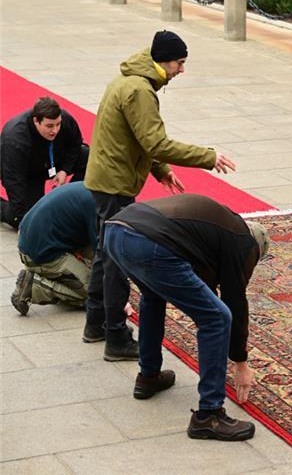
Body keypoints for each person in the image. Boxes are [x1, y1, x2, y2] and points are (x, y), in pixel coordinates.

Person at [83, 30, 237, 362]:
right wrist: (208, 157)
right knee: (115, 261)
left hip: (106, 177)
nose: (182, 70)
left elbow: (137, 138)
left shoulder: (131, 80)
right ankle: (115, 336)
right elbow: (156, 142)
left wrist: (160, 170)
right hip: (115, 182)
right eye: (179, 63)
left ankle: (96, 322)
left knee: (105, 252)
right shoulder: (140, 90)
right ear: (163, 61)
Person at [104, 194, 269, 441]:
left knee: (153, 296)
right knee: (217, 317)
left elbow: (204, 285)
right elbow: (234, 302)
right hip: (149, 241)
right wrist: (240, 363)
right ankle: (209, 415)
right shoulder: (243, 242)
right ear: (255, 250)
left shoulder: (218, 229)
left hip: (116, 232)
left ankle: (149, 377)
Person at [0, 96, 88, 230]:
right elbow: (13, 181)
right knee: (30, 218)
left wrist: (64, 170)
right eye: (49, 126)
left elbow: (75, 145)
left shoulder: (65, 119)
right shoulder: (15, 139)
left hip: (53, 161)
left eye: (58, 124)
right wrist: (23, 220)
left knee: (87, 155)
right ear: (36, 121)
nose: (55, 130)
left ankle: (73, 203)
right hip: (27, 172)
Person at [10, 182, 96, 315]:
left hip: (32, 242)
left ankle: (58, 277)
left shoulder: (90, 188)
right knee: (95, 293)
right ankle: (34, 287)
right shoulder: (97, 204)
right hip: (41, 253)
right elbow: (102, 252)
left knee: (95, 275)